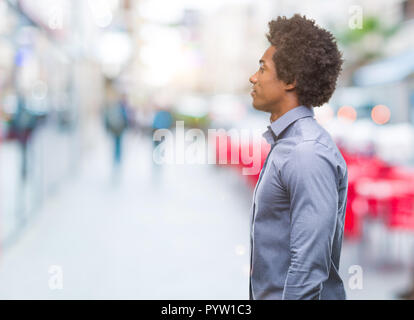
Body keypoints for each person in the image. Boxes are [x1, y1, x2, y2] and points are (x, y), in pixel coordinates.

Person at [248, 14, 347, 300]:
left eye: (262, 68)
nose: (253, 77)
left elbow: (308, 268)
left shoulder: (306, 151)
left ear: (290, 80)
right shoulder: (289, 143)